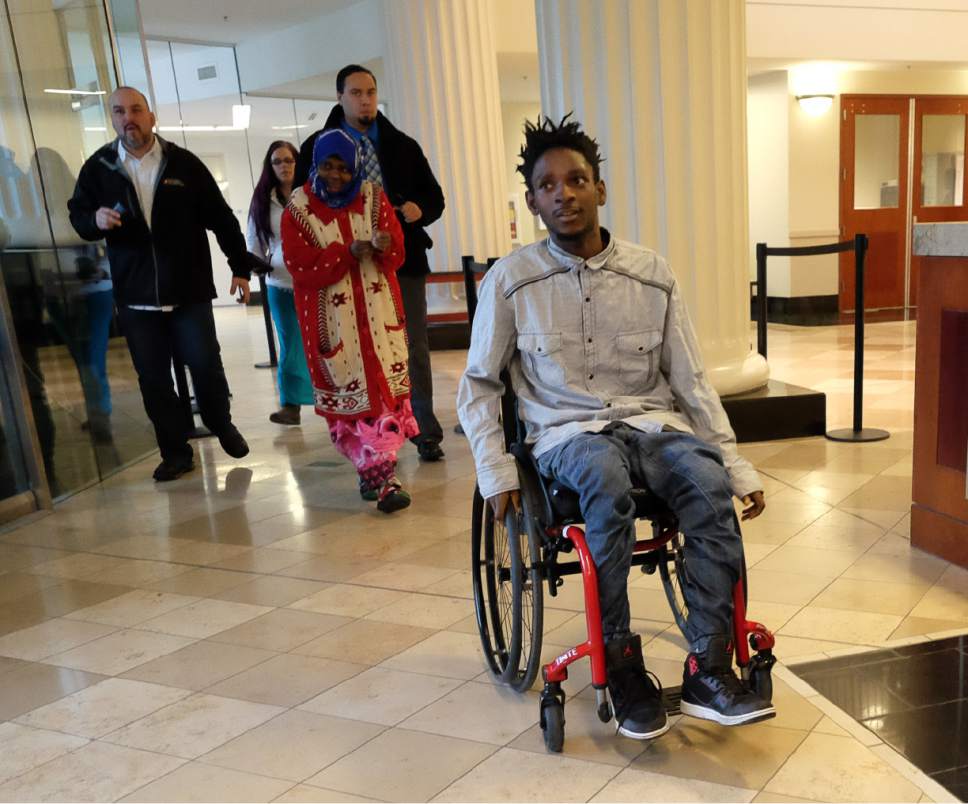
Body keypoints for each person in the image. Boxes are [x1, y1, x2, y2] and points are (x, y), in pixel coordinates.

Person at [457, 115, 775, 742]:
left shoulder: (651, 274)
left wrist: (735, 465)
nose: (564, 194)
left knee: (707, 487)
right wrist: (495, 473)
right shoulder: (512, 281)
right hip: (567, 436)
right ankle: (621, 664)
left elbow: (690, 380)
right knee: (603, 480)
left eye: (577, 180)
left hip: (652, 424)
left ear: (600, 190)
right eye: (548, 185)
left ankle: (709, 667)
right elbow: (480, 385)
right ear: (533, 202)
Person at [68, 86, 252, 482]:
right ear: (113, 119)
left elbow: (221, 218)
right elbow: (78, 214)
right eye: (119, 112)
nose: (128, 118)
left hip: (188, 291)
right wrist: (93, 221)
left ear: (151, 117)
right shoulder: (98, 167)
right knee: (153, 379)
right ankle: (175, 452)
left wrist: (239, 265)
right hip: (136, 298)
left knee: (204, 365)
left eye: (136, 110)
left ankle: (221, 423)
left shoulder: (182, 163)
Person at [295, 64, 447, 462]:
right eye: (356, 93)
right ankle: (365, 435)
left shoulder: (402, 145)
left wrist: (418, 210)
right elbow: (302, 202)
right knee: (350, 350)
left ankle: (422, 427)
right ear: (340, 98)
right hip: (340, 271)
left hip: (401, 261)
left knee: (410, 343)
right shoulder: (316, 147)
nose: (365, 100)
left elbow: (435, 198)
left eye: (371, 92)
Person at [282, 129, 417, 513]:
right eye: (328, 166)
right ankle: (373, 470)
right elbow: (299, 265)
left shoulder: (374, 198)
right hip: (334, 326)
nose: (337, 175)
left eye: (344, 167)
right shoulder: (299, 208)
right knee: (353, 409)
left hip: (378, 323)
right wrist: (344, 254)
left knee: (383, 403)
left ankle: (384, 480)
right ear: (316, 165)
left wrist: (387, 245)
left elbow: (397, 253)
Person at [246, 140, 314, 426]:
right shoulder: (263, 200)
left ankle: (332, 400)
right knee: (289, 344)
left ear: (297, 162)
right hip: (280, 283)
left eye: (288, 160)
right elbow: (254, 239)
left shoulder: (312, 195)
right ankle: (291, 404)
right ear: (270, 167)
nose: (284, 166)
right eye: (277, 161)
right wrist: (253, 266)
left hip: (315, 283)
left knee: (321, 344)